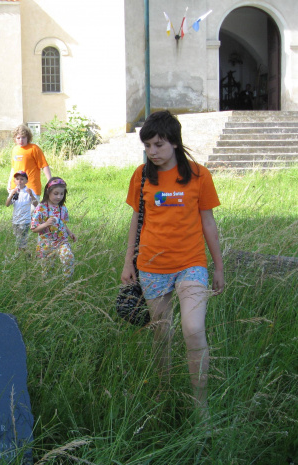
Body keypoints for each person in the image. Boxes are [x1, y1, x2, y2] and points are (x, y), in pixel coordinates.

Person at [120, 110, 224, 418]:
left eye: (158, 145)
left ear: (174, 143)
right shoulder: (141, 176)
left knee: (193, 329)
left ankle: (201, 406)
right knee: (161, 332)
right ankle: (163, 393)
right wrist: (129, 262)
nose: (152, 152)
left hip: (191, 263)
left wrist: (218, 266)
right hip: (151, 266)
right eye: (148, 145)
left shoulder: (199, 175)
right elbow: (136, 220)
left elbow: (209, 223)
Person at [31, 177, 77, 278]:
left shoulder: (62, 208)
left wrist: (70, 233)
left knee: (68, 258)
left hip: (62, 241)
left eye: (62, 194)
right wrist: (46, 224)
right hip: (46, 243)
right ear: (48, 192)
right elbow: (34, 229)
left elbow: (63, 223)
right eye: (56, 193)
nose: (59, 197)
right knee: (48, 270)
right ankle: (47, 288)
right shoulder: (41, 208)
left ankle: (66, 283)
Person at [7, 124, 52, 198]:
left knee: (32, 209)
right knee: (18, 209)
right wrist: (9, 183)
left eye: (23, 137)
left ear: (28, 137)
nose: (21, 140)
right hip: (17, 186)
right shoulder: (15, 149)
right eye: (18, 138)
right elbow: (13, 168)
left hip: (31, 187)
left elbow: (44, 165)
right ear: (14, 139)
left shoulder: (34, 148)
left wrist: (50, 180)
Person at [5, 170, 39, 251]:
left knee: (21, 239)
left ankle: (20, 254)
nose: (19, 181)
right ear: (14, 181)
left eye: (22, 179)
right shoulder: (14, 191)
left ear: (26, 181)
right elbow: (7, 204)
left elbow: (36, 205)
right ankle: (25, 253)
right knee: (18, 238)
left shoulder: (29, 191)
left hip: (25, 220)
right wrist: (12, 195)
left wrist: (31, 195)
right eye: (17, 179)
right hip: (15, 220)